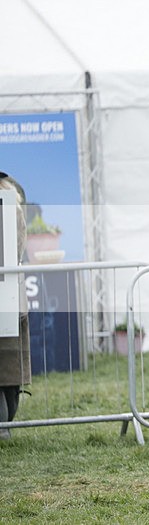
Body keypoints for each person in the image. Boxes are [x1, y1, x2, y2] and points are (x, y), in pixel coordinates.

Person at [0, 172, 31, 439]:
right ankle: (6, 426)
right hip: (10, 294)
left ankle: (4, 428)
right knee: (9, 367)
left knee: (7, 368)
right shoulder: (12, 199)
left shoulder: (7, 201)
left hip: (6, 293)